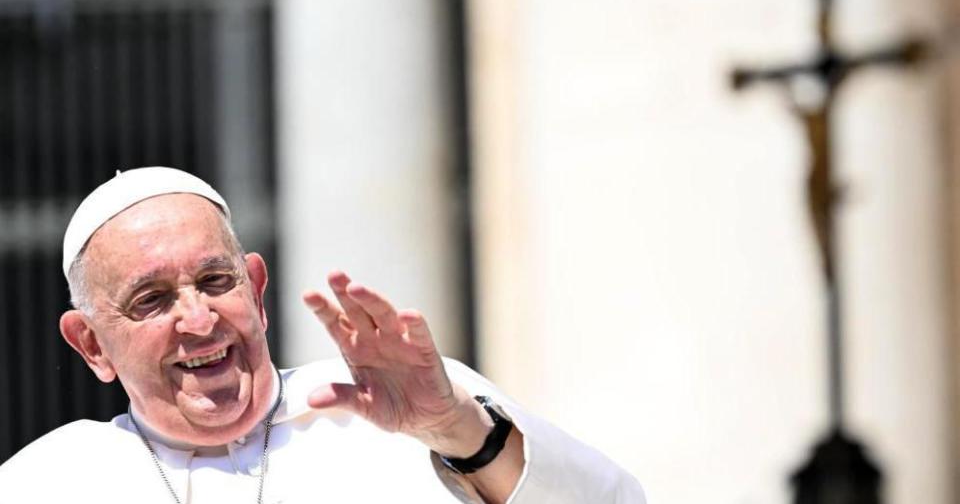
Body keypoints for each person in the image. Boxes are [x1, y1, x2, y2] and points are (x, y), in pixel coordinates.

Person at [0, 167, 645, 503]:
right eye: (152, 300)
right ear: (91, 345)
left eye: (215, 281)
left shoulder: (404, 416)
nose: (198, 321)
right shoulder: (48, 484)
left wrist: (456, 430)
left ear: (256, 289)